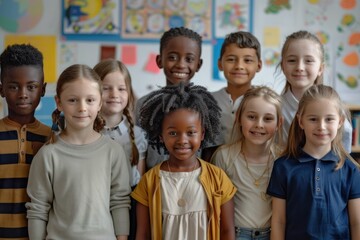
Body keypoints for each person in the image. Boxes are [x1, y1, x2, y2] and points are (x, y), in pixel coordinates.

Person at [26, 64, 131, 240]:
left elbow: (119, 201)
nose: (82, 107)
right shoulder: (48, 155)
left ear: (99, 103)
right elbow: (38, 208)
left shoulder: (113, 151)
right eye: (73, 100)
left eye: (90, 100)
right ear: (59, 102)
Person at [131, 83, 237, 240]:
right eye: (173, 133)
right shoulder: (149, 181)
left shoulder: (218, 178)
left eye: (191, 132)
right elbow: (143, 234)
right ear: (161, 135)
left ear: (202, 134)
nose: (182, 140)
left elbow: (227, 231)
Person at [267, 84, 360, 240]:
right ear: (301, 121)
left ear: (340, 122)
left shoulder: (351, 170)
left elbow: (357, 223)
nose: (321, 126)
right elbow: (278, 221)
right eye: (313, 119)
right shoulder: (283, 167)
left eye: (329, 119)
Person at [212, 86, 284, 240]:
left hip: (272, 235)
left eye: (268, 119)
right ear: (238, 117)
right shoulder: (224, 157)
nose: (259, 124)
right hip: (234, 234)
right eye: (251, 117)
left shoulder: (283, 159)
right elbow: (215, 207)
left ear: (279, 123)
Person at [0, 44, 51, 239]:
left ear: (43, 89)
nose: (23, 94)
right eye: (13, 86)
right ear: (1, 89)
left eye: (31, 87)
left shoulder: (52, 139)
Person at [93, 59, 148, 240]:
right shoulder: (85, 133)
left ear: (129, 94)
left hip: (129, 207)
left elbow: (138, 181)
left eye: (121, 88)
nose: (114, 94)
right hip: (94, 205)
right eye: (106, 88)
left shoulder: (138, 135)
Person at [134, 26, 203, 169]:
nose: (180, 64)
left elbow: (209, 153)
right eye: (172, 57)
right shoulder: (144, 105)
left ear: (198, 64)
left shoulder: (205, 105)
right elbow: (140, 152)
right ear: (159, 60)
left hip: (195, 184)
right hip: (154, 184)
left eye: (189, 59)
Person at [277, 30, 352, 152]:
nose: (299, 67)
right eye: (292, 60)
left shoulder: (334, 109)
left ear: (320, 69)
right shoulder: (274, 108)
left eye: (308, 61)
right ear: (283, 67)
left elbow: (343, 158)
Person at [202, 31, 262, 161]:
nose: (239, 66)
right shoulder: (206, 102)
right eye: (231, 59)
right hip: (215, 172)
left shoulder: (264, 103)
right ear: (220, 64)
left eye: (247, 60)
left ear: (259, 65)